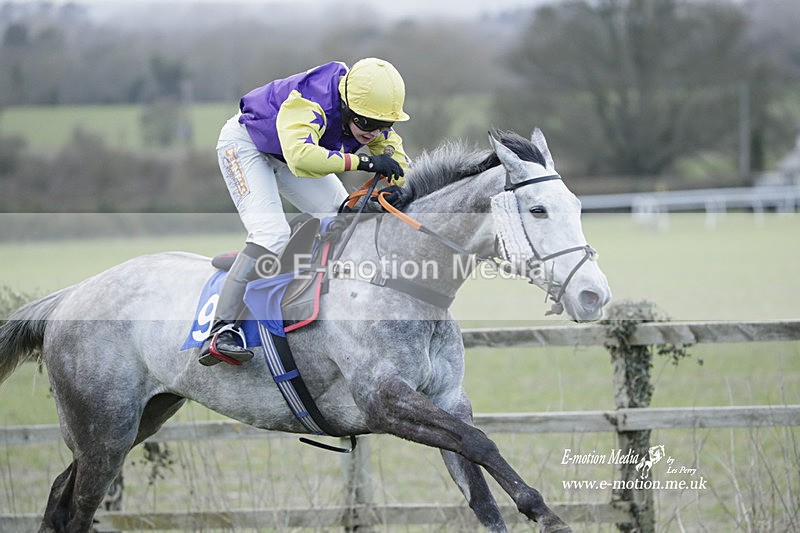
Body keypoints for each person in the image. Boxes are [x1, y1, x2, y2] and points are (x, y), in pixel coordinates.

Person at [199, 58, 412, 367]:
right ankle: (220, 330)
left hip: (288, 153)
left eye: (383, 125)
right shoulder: (311, 101)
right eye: (365, 123)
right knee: (271, 234)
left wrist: (397, 186)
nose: (373, 132)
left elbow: (400, 164)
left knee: (344, 214)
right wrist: (364, 163)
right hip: (247, 146)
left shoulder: (373, 116)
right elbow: (301, 159)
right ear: (346, 105)